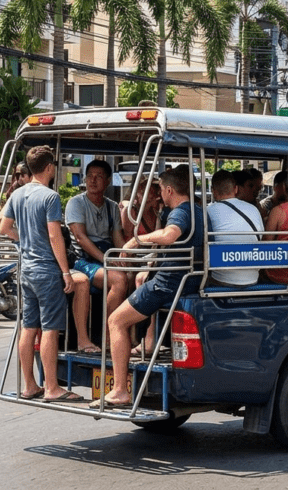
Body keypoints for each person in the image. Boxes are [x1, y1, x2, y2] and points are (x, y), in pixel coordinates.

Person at [98, 166, 204, 408]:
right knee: (141, 280)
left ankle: (119, 390)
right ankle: (146, 342)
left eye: (161, 190)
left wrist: (136, 240)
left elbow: (169, 235)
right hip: (182, 280)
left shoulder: (180, 213)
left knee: (115, 321)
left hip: (166, 285)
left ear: (169, 190)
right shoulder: (198, 211)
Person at [0, 145, 84, 403]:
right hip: (47, 270)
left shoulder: (17, 195)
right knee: (49, 329)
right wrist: (66, 272)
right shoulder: (50, 197)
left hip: (26, 269)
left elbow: (4, 227)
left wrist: (24, 239)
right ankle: (51, 388)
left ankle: (29, 385)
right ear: (49, 168)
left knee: (29, 327)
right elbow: (54, 236)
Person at [66, 160, 128, 316]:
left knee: (135, 276)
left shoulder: (112, 206)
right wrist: (106, 259)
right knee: (119, 279)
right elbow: (80, 238)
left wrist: (126, 256)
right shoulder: (76, 203)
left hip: (106, 256)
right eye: (89, 176)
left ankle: (133, 334)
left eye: (98, 176)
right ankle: (109, 333)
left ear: (107, 181)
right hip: (83, 260)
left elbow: (118, 239)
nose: (92, 180)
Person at [207, 170, 263, 287]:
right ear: (236, 189)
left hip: (222, 280)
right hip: (252, 279)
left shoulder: (208, 211)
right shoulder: (254, 209)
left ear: (213, 190)